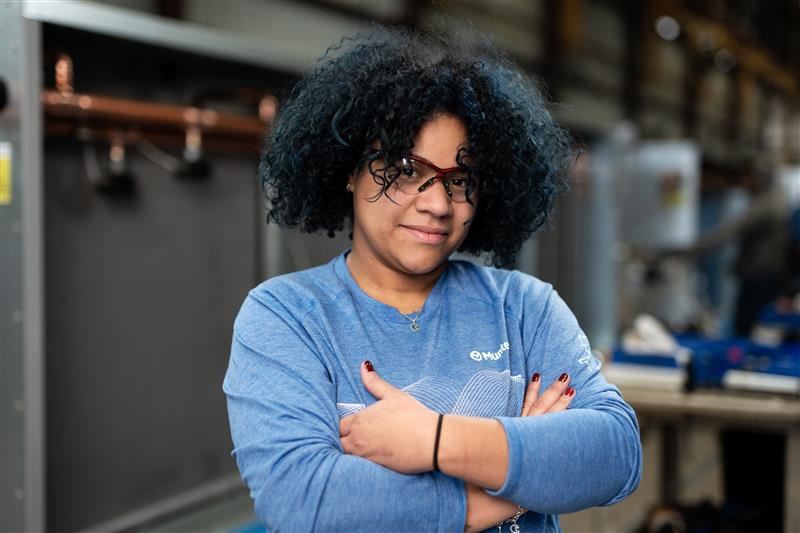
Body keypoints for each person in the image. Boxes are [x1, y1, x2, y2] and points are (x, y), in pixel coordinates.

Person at [223, 25, 642, 532]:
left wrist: (437, 439)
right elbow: (305, 502)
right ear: (349, 170)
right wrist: (510, 485)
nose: (439, 204)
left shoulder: (524, 307)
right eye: (405, 170)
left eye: (459, 179)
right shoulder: (285, 317)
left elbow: (617, 454)